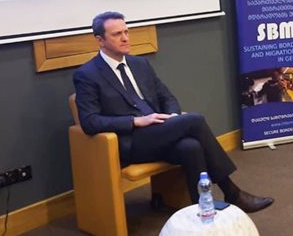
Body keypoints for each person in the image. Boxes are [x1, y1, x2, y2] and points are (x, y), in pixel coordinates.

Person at [73, 11, 273, 212]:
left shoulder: (139, 64)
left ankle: (202, 206)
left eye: (126, 32)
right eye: (117, 34)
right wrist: (135, 122)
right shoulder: (87, 74)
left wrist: (173, 119)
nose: (125, 38)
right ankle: (232, 192)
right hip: (130, 141)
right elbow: (89, 121)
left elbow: (167, 98)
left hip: (159, 130)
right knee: (195, 120)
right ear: (100, 40)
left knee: (191, 146)